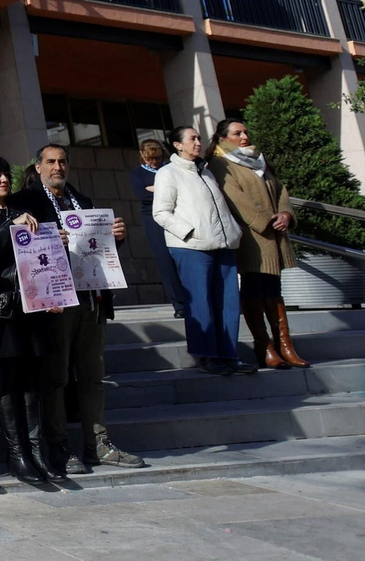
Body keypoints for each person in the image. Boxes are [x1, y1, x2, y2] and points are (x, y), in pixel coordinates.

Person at [8, 144, 143, 475]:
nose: (58, 167)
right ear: (38, 168)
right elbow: (20, 249)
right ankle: (59, 446)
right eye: (51, 162)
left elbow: (97, 247)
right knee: (55, 377)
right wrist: (56, 239)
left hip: (91, 298)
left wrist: (116, 237)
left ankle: (98, 443)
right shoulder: (25, 202)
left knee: (93, 376)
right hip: (55, 302)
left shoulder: (82, 201)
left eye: (62, 161)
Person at [0, 155, 58, 486]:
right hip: (1, 309)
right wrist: (10, 228)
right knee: (7, 379)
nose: (3, 178)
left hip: (33, 305)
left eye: (5, 173)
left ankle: (36, 452)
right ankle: (16, 454)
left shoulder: (24, 208)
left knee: (33, 381)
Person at [154, 126, 253, 377]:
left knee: (228, 304)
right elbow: (161, 213)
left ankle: (229, 355)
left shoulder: (206, 172)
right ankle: (207, 355)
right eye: (192, 139)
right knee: (200, 303)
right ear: (177, 145)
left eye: (199, 138)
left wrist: (234, 230)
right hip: (192, 247)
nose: (198, 142)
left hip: (223, 245)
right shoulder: (168, 173)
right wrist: (190, 232)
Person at [209, 119, 306, 369]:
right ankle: (264, 346)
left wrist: (285, 215)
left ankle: (286, 345)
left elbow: (281, 190)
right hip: (252, 237)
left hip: (274, 235)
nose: (244, 136)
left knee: (273, 289)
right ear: (222, 139)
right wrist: (265, 220)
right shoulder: (220, 163)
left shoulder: (258, 160)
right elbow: (233, 197)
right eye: (237, 133)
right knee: (254, 287)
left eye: (245, 132)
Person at [130, 138, 188, 319]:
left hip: (177, 216)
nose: (153, 162)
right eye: (149, 159)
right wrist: (165, 189)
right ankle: (179, 304)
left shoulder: (170, 168)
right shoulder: (137, 173)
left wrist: (155, 189)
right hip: (153, 220)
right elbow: (142, 194)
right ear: (142, 155)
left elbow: (181, 190)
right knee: (165, 261)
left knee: (185, 259)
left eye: (156, 158)